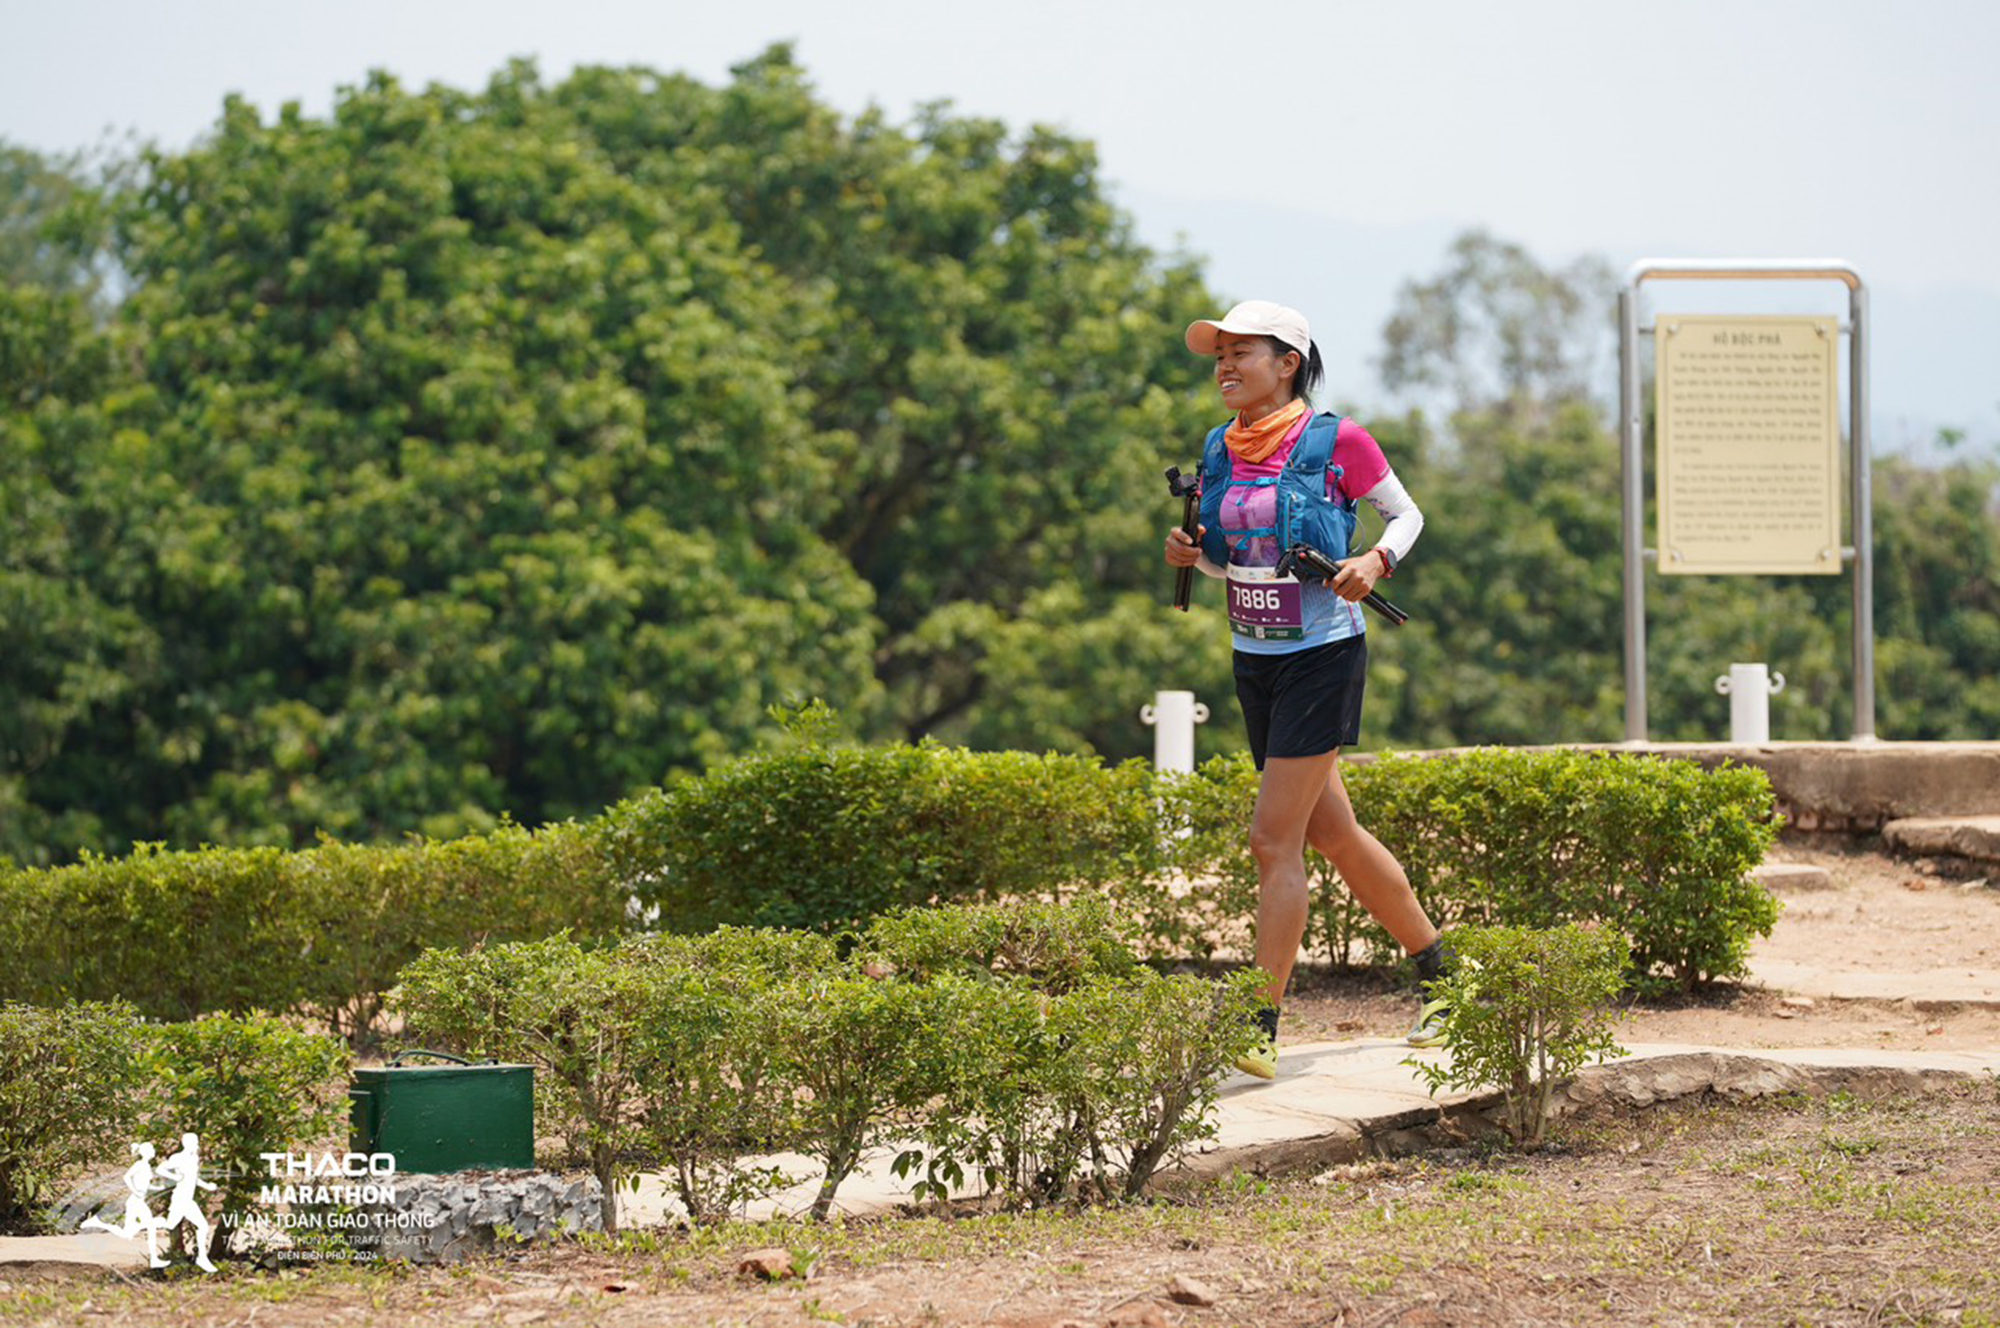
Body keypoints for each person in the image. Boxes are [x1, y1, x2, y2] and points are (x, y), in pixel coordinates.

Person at [1163, 299, 1450, 1079]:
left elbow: (1407, 513)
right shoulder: (1219, 447)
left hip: (1322, 655)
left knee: (1271, 840)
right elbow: (1238, 559)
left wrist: (1374, 563)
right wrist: (1197, 558)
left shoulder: (1337, 440)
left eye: (1239, 353)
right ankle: (1446, 980)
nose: (1223, 366)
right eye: (1217, 355)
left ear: (1287, 362)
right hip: (1253, 654)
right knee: (1333, 835)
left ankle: (1258, 1026)